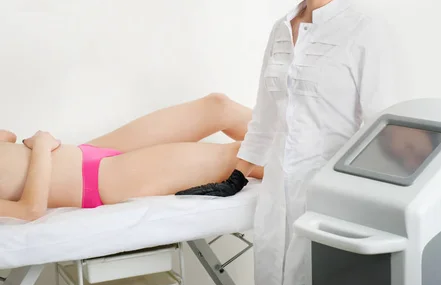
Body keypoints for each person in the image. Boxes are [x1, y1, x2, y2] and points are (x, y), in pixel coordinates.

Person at [176, 0, 404, 285]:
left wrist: (356, 195)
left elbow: (378, 126)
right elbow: (266, 118)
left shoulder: (364, 32)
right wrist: (237, 176)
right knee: (272, 275)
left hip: (331, 194)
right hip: (277, 192)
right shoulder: (281, 31)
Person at [0, 93, 263, 222]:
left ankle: (302, 139)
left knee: (217, 106)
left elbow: (8, 137)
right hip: (103, 181)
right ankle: (303, 165)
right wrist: (44, 148)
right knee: (236, 154)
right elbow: (30, 210)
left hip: (89, 152)